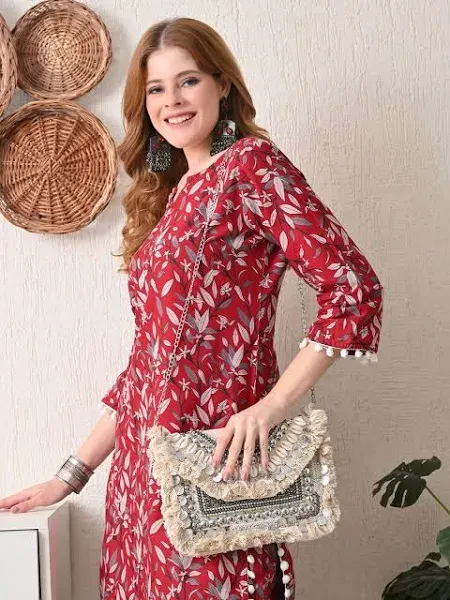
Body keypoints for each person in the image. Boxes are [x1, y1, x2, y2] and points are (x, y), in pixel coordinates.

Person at [0, 17, 384, 600]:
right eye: (156, 89)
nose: (171, 101)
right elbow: (148, 364)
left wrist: (273, 406)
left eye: (188, 81)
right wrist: (70, 476)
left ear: (222, 84)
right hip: (141, 479)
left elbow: (353, 288)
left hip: (214, 464)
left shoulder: (252, 166)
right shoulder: (173, 191)